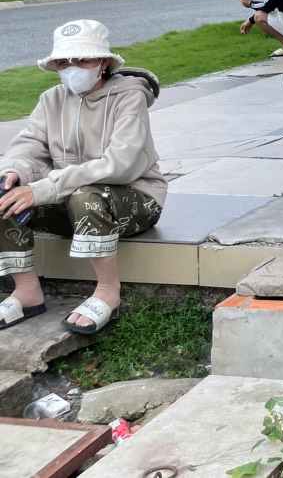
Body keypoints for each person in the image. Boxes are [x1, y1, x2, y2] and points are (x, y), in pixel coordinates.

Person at [0, 20, 165, 334]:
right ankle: (26, 291)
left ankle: (107, 291)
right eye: (64, 61)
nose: (72, 68)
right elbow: (28, 145)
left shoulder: (129, 98)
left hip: (134, 201)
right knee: (4, 192)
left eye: (83, 59)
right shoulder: (52, 99)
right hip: (70, 204)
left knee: (86, 194)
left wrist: (44, 188)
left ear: (103, 62)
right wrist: (14, 172)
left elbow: (121, 164)